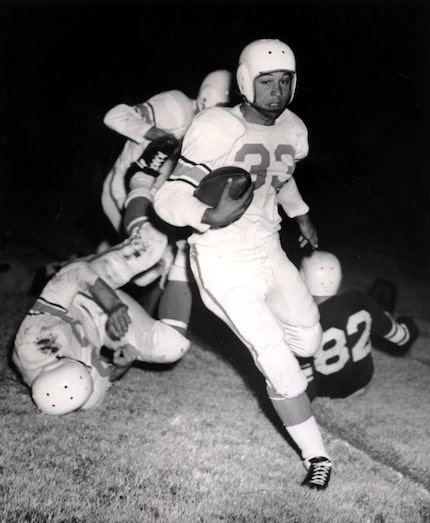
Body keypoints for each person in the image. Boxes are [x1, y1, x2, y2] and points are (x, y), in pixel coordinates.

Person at [154, 38, 332, 490]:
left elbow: (280, 177)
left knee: (309, 335)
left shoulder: (294, 127)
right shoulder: (216, 126)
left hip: (269, 250)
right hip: (222, 259)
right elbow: (169, 194)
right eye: (267, 81)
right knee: (274, 356)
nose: (276, 90)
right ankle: (318, 456)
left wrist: (301, 214)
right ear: (246, 82)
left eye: (285, 81)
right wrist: (204, 215)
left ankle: (301, 373)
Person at [100, 69, 232, 332]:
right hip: (126, 188)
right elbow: (114, 116)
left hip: (157, 200)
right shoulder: (177, 105)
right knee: (147, 259)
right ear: (206, 101)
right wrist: (156, 133)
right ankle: (71, 282)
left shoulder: (211, 132)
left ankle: (145, 332)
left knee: (165, 263)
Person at [13, 221, 191, 415]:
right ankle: (183, 255)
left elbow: (74, 274)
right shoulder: (84, 396)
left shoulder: (35, 339)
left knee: (151, 243)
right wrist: (122, 366)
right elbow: (108, 376)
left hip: (78, 294)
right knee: (171, 345)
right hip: (100, 328)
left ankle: (138, 214)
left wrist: (113, 305)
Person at [298, 250, 420, 399]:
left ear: (301, 278)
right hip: (362, 380)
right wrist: (409, 322)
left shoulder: (300, 319)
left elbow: (302, 374)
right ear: (340, 277)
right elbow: (402, 338)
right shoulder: (359, 298)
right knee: (374, 304)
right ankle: (383, 313)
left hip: (326, 388)